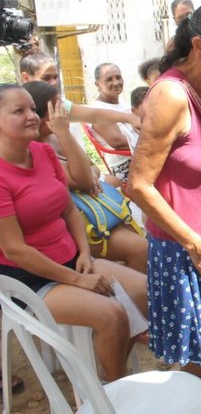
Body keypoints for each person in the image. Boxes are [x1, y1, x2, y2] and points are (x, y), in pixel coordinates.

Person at [127, 0, 201, 378]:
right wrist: (194, 243)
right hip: (187, 253)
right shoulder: (171, 96)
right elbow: (138, 185)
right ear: (199, 46)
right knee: (200, 367)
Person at [0, 84, 147, 382]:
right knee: (112, 315)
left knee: (145, 291)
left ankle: (108, 366)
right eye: (19, 111)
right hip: (30, 279)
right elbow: (15, 250)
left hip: (71, 259)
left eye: (32, 108)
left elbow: (68, 210)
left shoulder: (42, 152)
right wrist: (78, 279)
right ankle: (113, 388)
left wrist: (82, 252)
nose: (32, 116)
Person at [23, 81, 148, 274]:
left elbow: (91, 168)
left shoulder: (54, 138)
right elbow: (83, 180)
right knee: (143, 250)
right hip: (81, 223)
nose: (64, 111)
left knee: (140, 241)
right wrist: (64, 132)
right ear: (46, 113)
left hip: (95, 210)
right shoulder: (38, 145)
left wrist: (89, 175)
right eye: (59, 106)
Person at [19, 50, 141, 130]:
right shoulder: (14, 105)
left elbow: (93, 115)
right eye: (46, 78)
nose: (54, 83)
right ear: (25, 77)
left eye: (55, 77)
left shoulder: (57, 103)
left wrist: (130, 118)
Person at [89, 63, 133, 183]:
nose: (116, 82)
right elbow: (118, 142)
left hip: (139, 155)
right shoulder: (98, 110)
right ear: (97, 84)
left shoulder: (124, 103)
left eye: (118, 77)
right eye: (109, 79)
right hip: (126, 166)